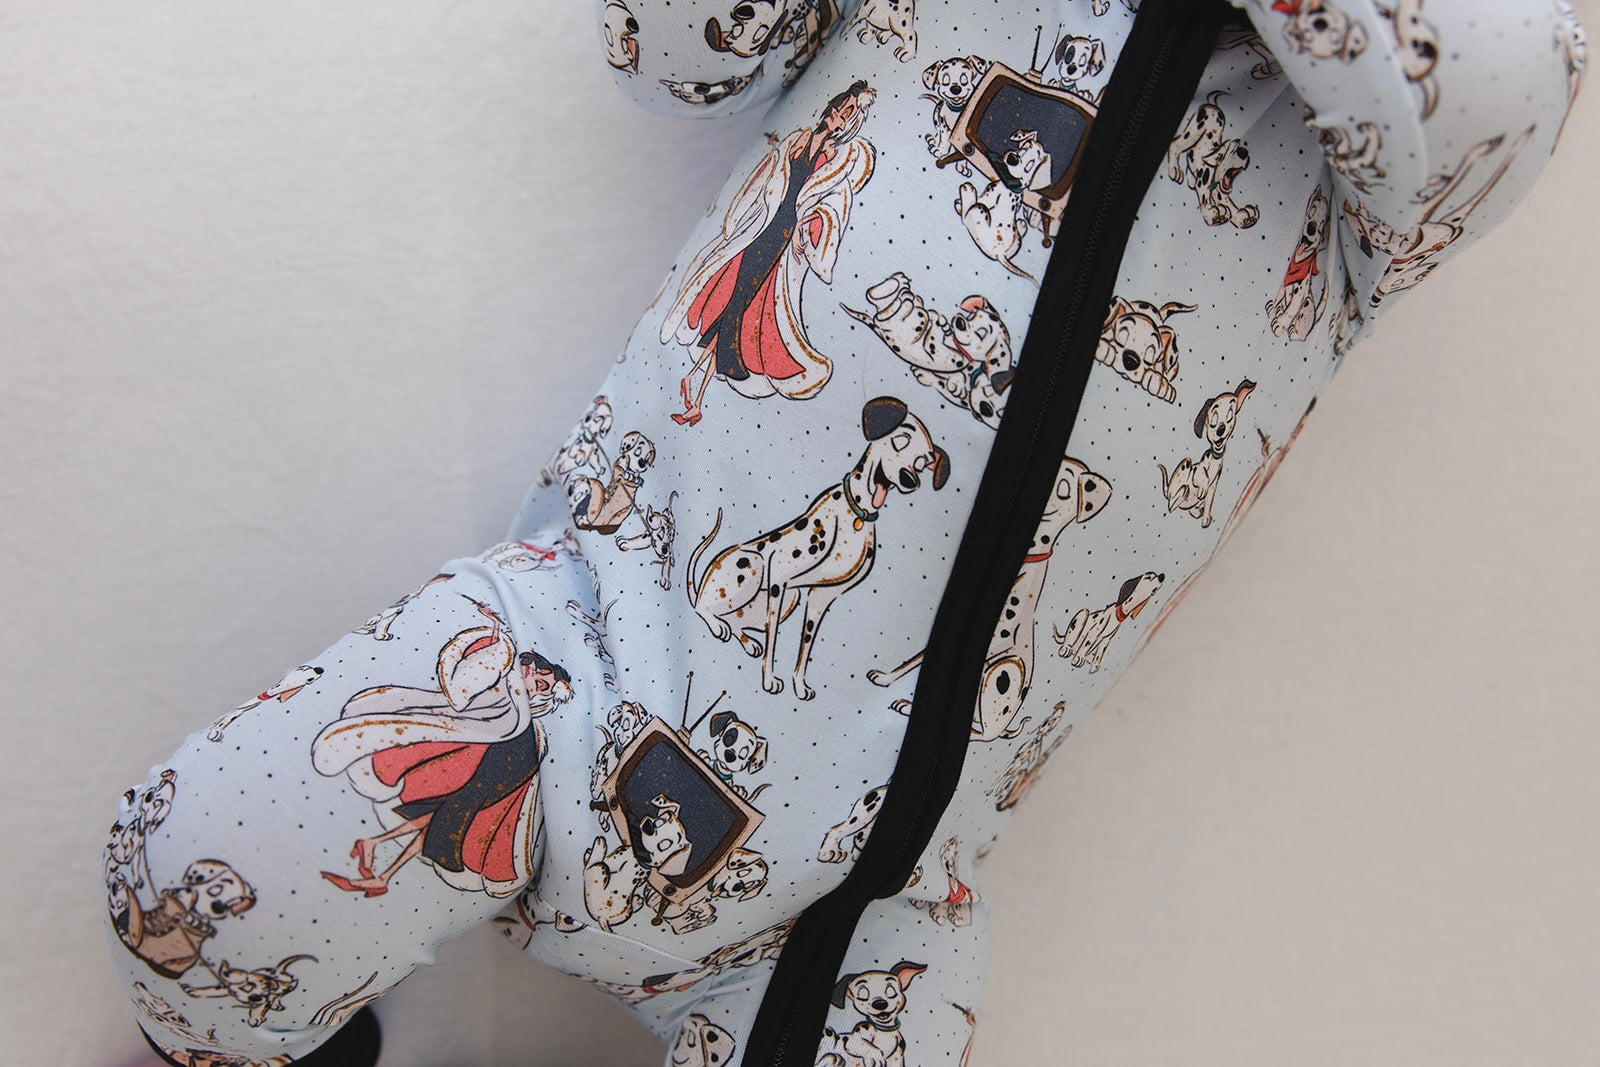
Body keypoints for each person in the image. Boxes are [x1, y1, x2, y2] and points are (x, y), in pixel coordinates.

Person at [105, 0, 1585, 1064]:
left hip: (864, 911)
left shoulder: (1371, 161)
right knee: (194, 873)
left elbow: (1486, 94)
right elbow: (665, 51)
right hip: (575, 655)